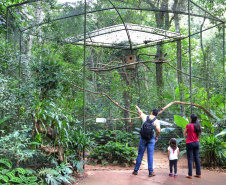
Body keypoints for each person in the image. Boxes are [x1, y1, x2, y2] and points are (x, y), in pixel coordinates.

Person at [132, 105, 161, 177]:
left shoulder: (145, 117)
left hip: (143, 138)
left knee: (140, 154)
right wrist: (156, 137)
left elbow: (140, 112)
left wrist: (137, 107)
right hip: (151, 139)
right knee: (150, 155)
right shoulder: (156, 121)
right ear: (157, 114)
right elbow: (158, 130)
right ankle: (151, 172)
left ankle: (136, 170)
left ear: (151, 112)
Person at [184, 114, 202, 179]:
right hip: (196, 143)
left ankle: (190, 175)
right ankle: (199, 174)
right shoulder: (198, 125)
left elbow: (184, 133)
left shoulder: (188, 125)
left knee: (190, 159)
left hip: (189, 143)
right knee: (197, 158)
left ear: (191, 119)